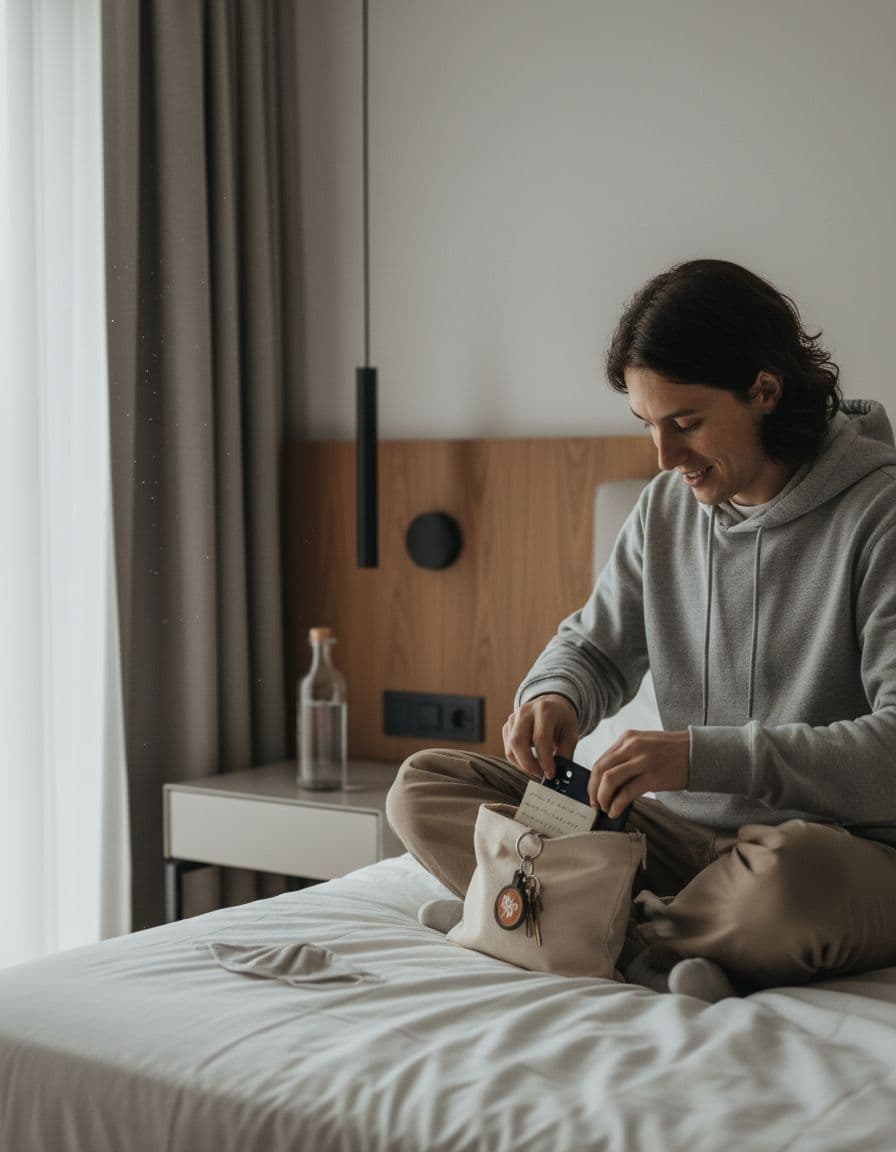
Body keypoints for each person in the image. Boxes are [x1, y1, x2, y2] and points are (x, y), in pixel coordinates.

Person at [386, 258, 896, 1002]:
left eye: (685, 423)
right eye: (649, 425)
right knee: (423, 787)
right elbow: (593, 646)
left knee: (792, 889)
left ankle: (526, 912)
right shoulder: (664, 510)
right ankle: (631, 929)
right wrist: (555, 694)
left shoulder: (880, 515)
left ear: (764, 390)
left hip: (831, 847)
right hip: (672, 842)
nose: (664, 457)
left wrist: (697, 757)